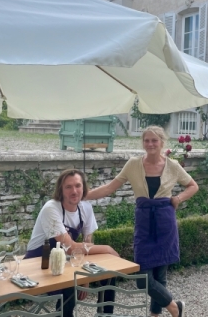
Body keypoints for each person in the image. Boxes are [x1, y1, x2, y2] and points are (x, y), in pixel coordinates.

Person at [87, 126, 198, 317]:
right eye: (147, 140)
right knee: (142, 277)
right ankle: (175, 307)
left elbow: (193, 185)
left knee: (160, 276)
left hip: (165, 221)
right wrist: (83, 196)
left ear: (162, 142)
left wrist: (178, 199)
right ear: (143, 143)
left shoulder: (173, 165)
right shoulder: (133, 164)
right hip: (144, 222)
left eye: (154, 140)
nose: (150, 144)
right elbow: (109, 187)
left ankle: (155, 314)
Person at [26, 169, 118, 317]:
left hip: (66, 263)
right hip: (38, 263)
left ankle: (106, 314)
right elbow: (71, 248)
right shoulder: (51, 209)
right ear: (60, 190)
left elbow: (88, 242)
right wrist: (107, 248)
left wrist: (87, 276)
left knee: (108, 274)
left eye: (78, 185)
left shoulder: (85, 207)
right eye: (68, 187)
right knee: (70, 283)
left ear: (84, 187)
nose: (74, 191)